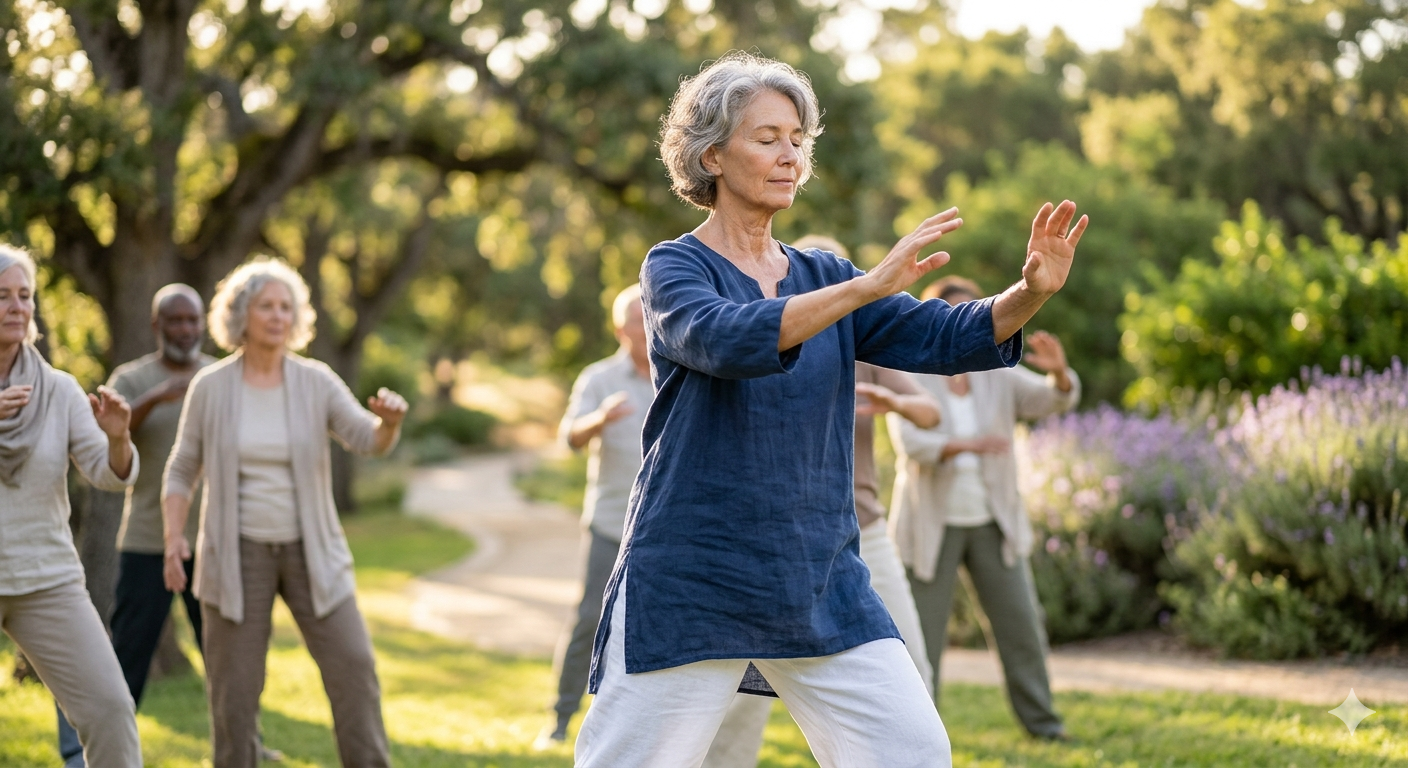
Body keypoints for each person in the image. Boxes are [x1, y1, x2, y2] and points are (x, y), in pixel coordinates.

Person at [575, 51, 1088, 768]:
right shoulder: (675, 267)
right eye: (767, 138)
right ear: (712, 154)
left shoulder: (826, 276)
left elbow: (942, 335)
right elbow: (724, 338)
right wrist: (866, 286)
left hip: (817, 574)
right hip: (693, 574)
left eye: (798, 140)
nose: (790, 156)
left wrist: (1029, 293)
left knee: (911, 750)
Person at [162, 258, 408, 767]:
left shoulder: (316, 381)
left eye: (286, 307)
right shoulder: (211, 387)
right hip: (235, 555)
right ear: (241, 314)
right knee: (234, 692)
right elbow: (182, 467)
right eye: (266, 306)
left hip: (311, 551)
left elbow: (365, 437)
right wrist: (173, 539)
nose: (277, 316)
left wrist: (388, 425)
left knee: (354, 667)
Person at [537, 285, 773, 765]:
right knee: (589, 621)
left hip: (670, 528)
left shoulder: (682, 366)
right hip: (611, 524)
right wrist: (597, 421)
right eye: (630, 320)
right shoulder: (600, 378)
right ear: (617, 328)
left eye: (643, 316)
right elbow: (569, 437)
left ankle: (684, 735)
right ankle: (560, 720)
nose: (639, 326)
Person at [889, 275, 1081, 741]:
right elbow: (911, 442)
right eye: (959, 315)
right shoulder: (912, 371)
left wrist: (1059, 373)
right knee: (921, 642)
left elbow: (1054, 399)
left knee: (1022, 628)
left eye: (976, 312)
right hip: (930, 528)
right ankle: (919, 736)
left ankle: (1044, 725)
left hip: (993, 522)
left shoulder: (998, 371)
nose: (972, 323)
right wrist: (965, 445)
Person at [55, 284, 222, 767]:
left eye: (193, 321)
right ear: (157, 325)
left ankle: (239, 744)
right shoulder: (130, 379)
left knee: (226, 653)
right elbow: (112, 432)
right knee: (126, 655)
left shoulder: (217, 374)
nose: (187, 330)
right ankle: (98, 752)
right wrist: (161, 396)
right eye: (176, 321)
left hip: (211, 540)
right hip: (148, 539)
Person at [0, 245, 144, 767]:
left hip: (46, 577)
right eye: (2, 296)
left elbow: (108, 475)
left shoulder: (58, 391)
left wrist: (120, 438)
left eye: (25, 295)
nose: (18, 306)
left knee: (110, 709)